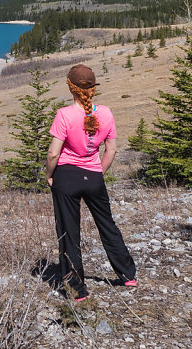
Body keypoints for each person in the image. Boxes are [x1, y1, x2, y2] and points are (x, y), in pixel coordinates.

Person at [46, 64, 136, 300]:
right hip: (94, 176)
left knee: (69, 232)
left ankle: (77, 288)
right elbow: (112, 149)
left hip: (66, 177)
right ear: (93, 89)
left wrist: (49, 175)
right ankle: (127, 274)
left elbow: (53, 154)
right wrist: (98, 171)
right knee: (107, 224)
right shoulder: (105, 113)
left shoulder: (64, 115)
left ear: (71, 88)